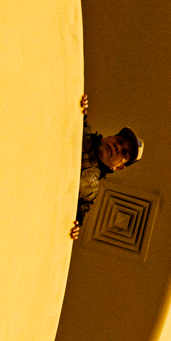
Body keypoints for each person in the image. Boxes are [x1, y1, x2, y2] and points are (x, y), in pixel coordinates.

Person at [72, 93, 145, 239]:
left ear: (118, 167)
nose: (118, 147)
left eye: (124, 152)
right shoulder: (82, 128)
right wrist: (78, 105)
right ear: (110, 137)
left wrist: (75, 227)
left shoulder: (90, 191)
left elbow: (74, 219)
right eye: (119, 141)